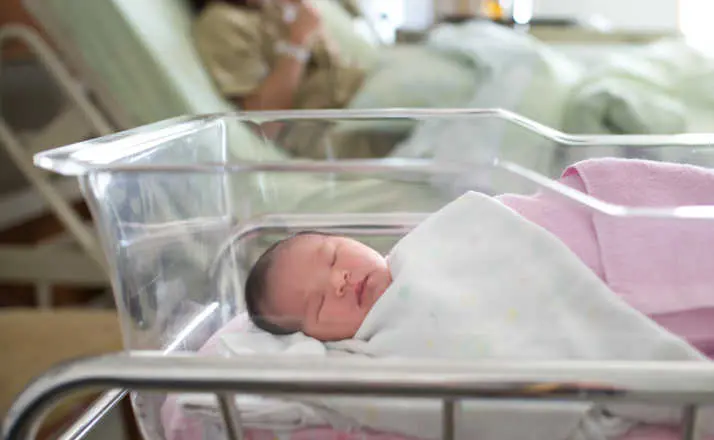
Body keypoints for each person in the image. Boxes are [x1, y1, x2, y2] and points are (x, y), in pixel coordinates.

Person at [243, 158, 714, 356]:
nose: (341, 282)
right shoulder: (386, 347)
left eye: (332, 258)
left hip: (573, 231)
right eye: (319, 305)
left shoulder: (435, 239)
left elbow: (502, 224)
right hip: (592, 298)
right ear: (317, 340)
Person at [191, 0, 388, 158]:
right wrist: (297, 43)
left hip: (358, 100)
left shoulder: (273, 7)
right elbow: (263, 120)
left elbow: (334, 66)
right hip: (323, 126)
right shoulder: (221, 22)